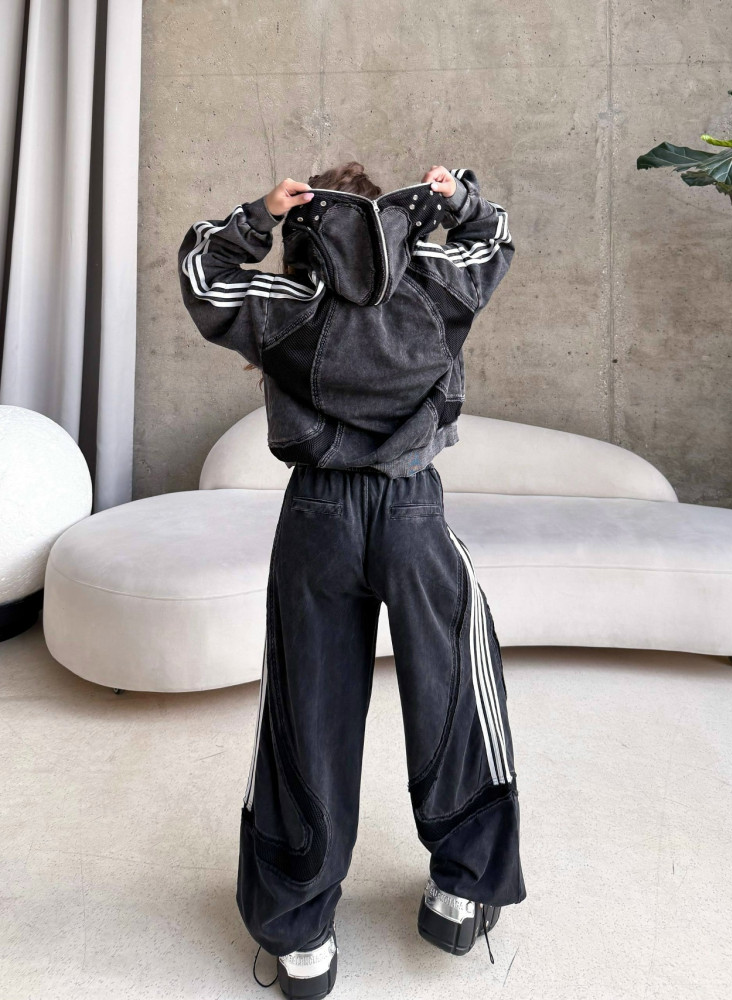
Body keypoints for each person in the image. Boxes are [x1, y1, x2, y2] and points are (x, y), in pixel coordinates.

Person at [177, 161, 526, 999]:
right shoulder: (438, 289)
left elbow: (201, 270)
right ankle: (460, 892)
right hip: (412, 512)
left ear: (308, 234)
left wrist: (258, 215)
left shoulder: (284, 307)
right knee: (456, 694)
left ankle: (301, 937)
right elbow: (494, 238)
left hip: (317, 517)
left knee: (307, 712)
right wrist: (455, 198)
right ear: (390, 224)